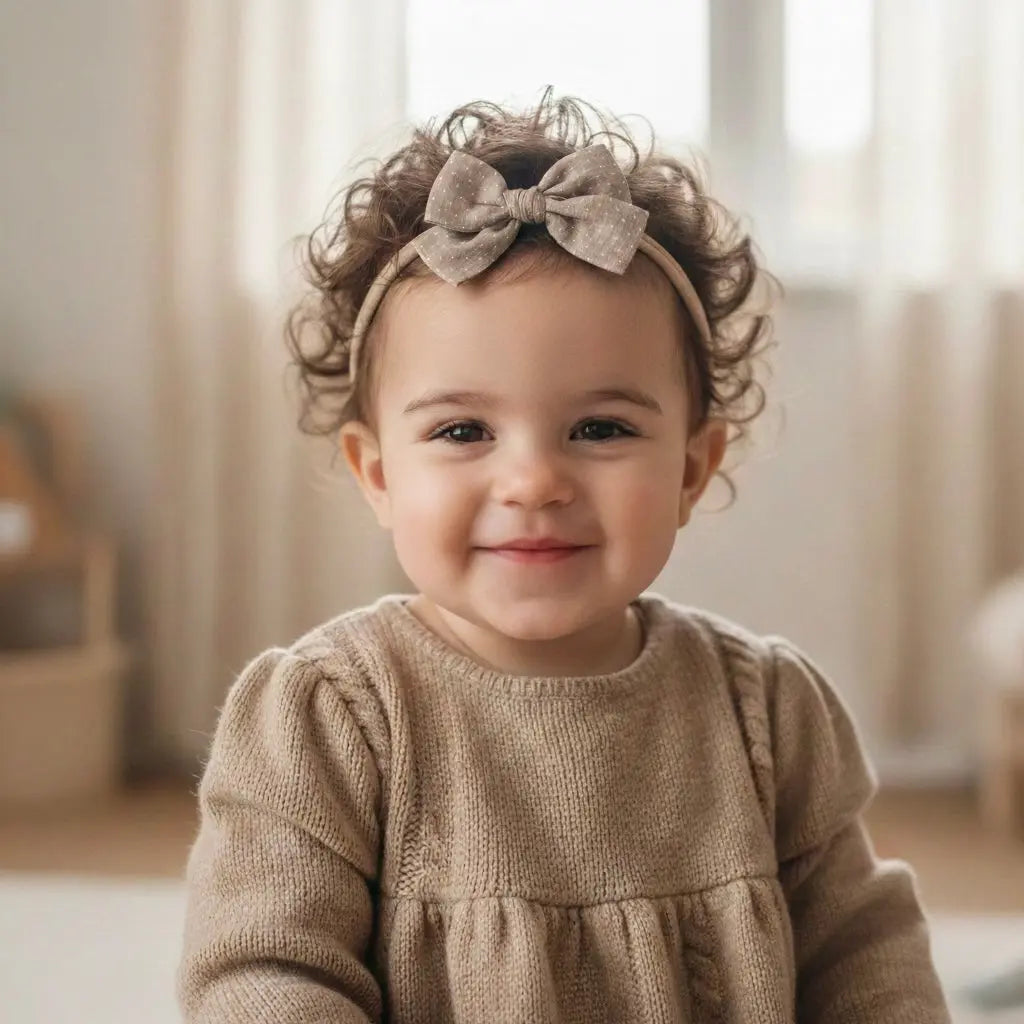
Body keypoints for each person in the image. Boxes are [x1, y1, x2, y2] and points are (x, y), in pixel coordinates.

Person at [177, 92, 951, 1022]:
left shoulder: (766, 715)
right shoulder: (330, 718)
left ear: (692, 469)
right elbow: (264, 975)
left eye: (600, 427)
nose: (534, 480)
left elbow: (865, 955)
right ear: (377, 474)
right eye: (464, 429)